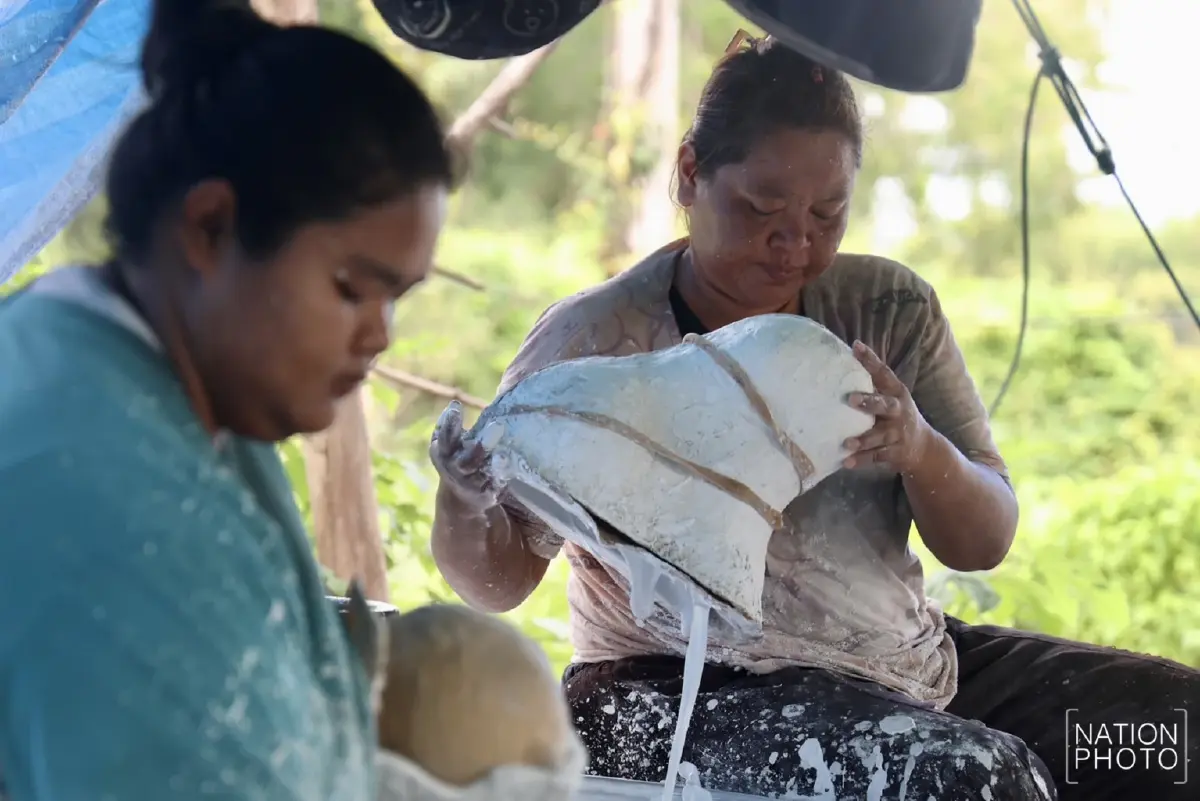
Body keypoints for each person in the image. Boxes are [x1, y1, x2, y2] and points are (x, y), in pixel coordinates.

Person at [429, 34, 1199, 801]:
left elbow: (986, 539)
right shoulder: (594, 340)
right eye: (762, 208)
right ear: (690, 173)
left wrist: (921, 450)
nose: (794, 242)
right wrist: (465, 500)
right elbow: (497, 581)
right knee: (976, 779)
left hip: (906, 670)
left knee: (1169, 735)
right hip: (664, 694)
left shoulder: (888, 311)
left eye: (828, 213)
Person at [0, 0, 452, 798]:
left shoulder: (175, 395)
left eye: (398, 301)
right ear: (210, 227)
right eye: (352, 289)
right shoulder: (96, 490)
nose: (378, 336)